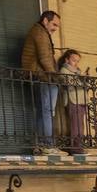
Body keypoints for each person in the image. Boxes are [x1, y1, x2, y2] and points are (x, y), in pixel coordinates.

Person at [21, 10, 62, 154]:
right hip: (43, 77)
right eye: (54, 24)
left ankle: (43, 143)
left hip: (40, 77)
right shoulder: (40, 33)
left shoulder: (39, 32)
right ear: (45, 20)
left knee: (43, 111)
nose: (55, 28)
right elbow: (45, 58)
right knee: (46, 111)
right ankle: (47, 145)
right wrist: (55, 78)